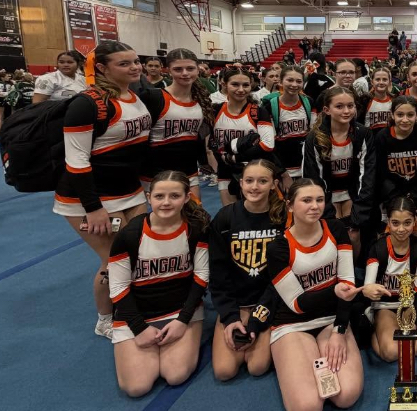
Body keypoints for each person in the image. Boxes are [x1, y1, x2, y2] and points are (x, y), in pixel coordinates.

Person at [56, 40, 152, 339]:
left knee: (139, 252)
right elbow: (76, 162)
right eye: (124, 63)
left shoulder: (134, 96)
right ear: (101, 68)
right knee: (114, 259)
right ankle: (105, 319)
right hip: (90, 200)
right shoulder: (87, 104)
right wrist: (93, 208)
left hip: (130, 192)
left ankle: (131, 307)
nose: (134, 67)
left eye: (135, 61)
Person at [252, 178, 364, 411]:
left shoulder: (335, 229)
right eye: (307, 200)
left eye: (320, 200)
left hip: (332, 319)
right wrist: (333, 291)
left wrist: (339, 330)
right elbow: (297, 303)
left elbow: (348, 285)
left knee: (347, 395)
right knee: (308, 406)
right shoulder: (278, 248)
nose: (315, 206)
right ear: (290, 205)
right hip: (293, 323)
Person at [108, 170, 209, 397]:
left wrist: (183, 320)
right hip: (138, 313)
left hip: (180, 310)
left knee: (176, 374)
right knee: (137, 387)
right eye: (159, 196)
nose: (166, 202)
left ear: (187, 198)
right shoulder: (129, 235)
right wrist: (138, 328)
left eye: (175, 196)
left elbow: (201, 276)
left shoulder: (196, 230)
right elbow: (117, 287)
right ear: (149, 197)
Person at [208, 159, 286, 381]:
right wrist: (230, 316)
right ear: (240, 183)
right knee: (224, 371)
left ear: (274, 184)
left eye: (263, 181)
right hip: (237, 301)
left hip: (268, 301)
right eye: (249, 181)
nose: (255, 187)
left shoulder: (283, 219)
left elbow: (282, 276)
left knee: (257, 366)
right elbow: (218, 273)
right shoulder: (225, 218)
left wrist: (258, 317)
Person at [302, 86, 375, 249]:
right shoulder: (314, 138)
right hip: (326, 194)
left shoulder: (363, 133)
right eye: (339, 106)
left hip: (352, 192)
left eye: (350, 106)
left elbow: (367, 176)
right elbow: (314, 179)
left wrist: (359, 212)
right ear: (327, 110)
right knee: (333, 237)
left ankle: (353, 266)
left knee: (353, 237)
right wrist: (326, 210)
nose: (346, 111)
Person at [363, 197, 417, 361]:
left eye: (407, 223)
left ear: (415, 222)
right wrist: (369, 290)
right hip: (385, 306)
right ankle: (375, 330)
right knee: (391, 353)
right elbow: (368, 286)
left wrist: (413, 319)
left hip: (410, 304)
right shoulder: (378, 249)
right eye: (395, 223)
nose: (401, 229)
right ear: (388, 221)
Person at [141, 48, 214, 202]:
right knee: (164, 215)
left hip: (189, 170)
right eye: (178, 69)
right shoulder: (153, 97)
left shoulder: (202, 100)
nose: (185, 73)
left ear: (197, 70)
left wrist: (205, 163)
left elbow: (199, 138)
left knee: (195, 212)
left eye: (190, 68)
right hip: (156, 172)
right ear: (168, 70)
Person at [210, 67, 276, 206]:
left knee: (256, 214)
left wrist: (235, 158)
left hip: (255, 172)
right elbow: (209, 144)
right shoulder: (215, 110)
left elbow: (268, 145)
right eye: (235, 84)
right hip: (225, 171)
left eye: (245, 85)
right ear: (224, 84)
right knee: (230, 213)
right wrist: (216, 165)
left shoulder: (258, 112)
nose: (241, 90)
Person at [374, 96, 417, 219]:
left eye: (410, 115)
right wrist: (395, 200)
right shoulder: (382, 137)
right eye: (400, 115)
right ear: (392, 115)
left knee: (415, 223)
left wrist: (414, 200)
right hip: (392, 194)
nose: (405, 120)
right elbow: (381, 175)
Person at [261, 65, 313, 190]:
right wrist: (283, 174)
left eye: (299, 81)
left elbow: (313, 136)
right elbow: (269, 145)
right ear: (280, 81)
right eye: (290, 80)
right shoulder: (269, 106)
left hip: (306, 166)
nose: (294, 84)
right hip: (282, 168)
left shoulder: (309, 103)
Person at [364, 67, 394, 133]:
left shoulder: (394, 100)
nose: (381, 82)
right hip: (370, 138)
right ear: (372, 82)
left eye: (384, 79)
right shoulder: (364, 100)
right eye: (377, 79)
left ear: (389, 82)